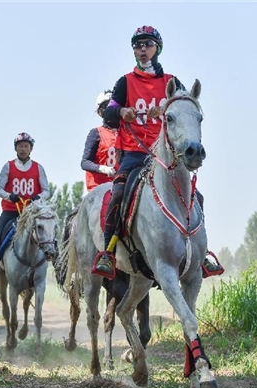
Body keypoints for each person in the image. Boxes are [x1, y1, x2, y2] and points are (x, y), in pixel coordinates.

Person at [93, 25, 224, 278]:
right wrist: (121, 111)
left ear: (157, 49)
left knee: (196, 197)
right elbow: (109, 113)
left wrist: (165, 105)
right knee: (118, 194)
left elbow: (187, 107)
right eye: (138, 45)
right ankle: (108, 254)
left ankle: (202, 253)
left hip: (164, 155)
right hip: (134, 153)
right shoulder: (124, 82)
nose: (143, 49)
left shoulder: (171, 82)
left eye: (148, 44)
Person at [0, 132, 51, 289]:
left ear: (31, 149)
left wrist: (38, 197)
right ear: (15, 148)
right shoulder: (8, 166)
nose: (23, 149)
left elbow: (46, 191)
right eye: (20, 146)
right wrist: (10, 196)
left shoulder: (38, 168)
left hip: (31, 211)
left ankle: (54, 265)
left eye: (26, 146)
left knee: (47, 233)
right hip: (11, 210)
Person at [81, 90, 120, 191]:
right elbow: (85, 162)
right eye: (107, 106)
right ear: (101, 112)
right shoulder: (96, 133)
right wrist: (103, 169)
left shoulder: (127, 133)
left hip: (120, 185)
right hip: (99, 188)